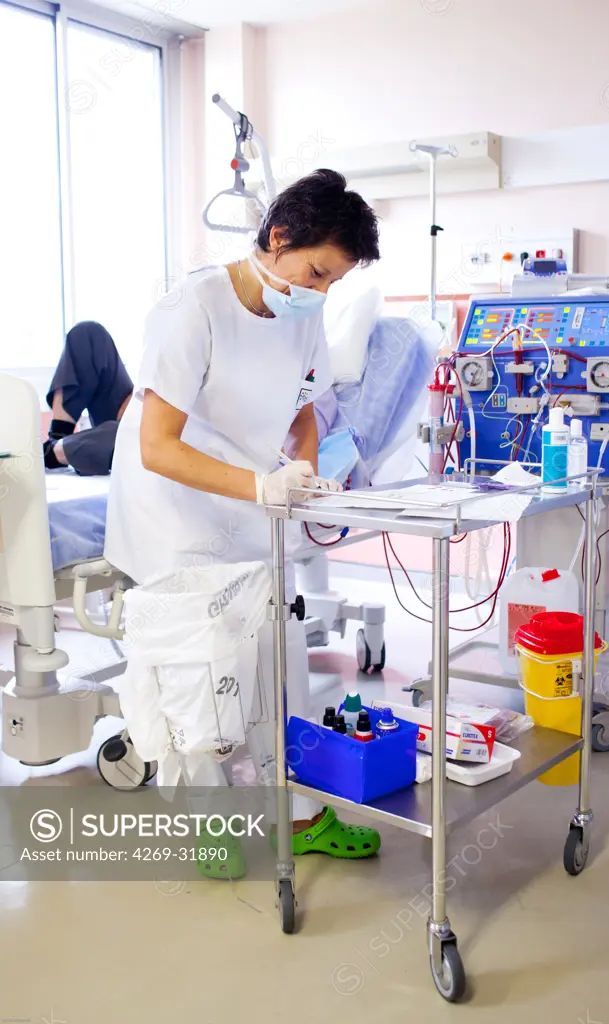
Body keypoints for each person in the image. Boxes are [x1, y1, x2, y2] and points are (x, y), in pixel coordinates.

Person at [104, 169, 383, 871]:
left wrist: (307, 473)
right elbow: (157, 445)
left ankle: (302, 814)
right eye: (317, 271)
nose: (321, 292)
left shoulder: (303, 310)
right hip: (173, 505)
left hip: (252, 496)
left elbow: (301, 409)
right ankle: (213, 824)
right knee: (202, 670)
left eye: (333, 283)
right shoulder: (190, 309)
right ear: (278, 237)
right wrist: (261, 487)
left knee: (281, 656)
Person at [43, 321, 133, 476]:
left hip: (170, 431)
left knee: (133, 435)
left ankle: (53, 454)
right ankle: (58, 435)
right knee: (88, 332)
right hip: (144, 407)